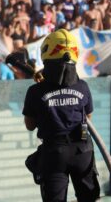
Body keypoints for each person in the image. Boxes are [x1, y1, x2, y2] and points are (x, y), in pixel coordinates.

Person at [22, 29, 100, 201]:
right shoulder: (83, 87)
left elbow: (30, 125)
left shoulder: (35, 91)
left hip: (54, 155)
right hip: (83, 151)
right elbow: (88, 118)